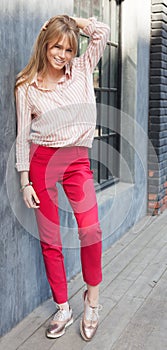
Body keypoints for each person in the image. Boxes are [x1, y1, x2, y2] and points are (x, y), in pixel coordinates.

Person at [15, 14, 110, 341]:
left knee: (91, 229)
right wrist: (25, 180)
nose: (63, 55)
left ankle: (92, 301)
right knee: (50, 239)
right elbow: (22, 135)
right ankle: (63, 308)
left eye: (69, 49)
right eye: (57, 46)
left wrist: (70, 20)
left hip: (77, 161)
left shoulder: (82, 69)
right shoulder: (26, 86)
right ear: (46, 43)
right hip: (43, 161)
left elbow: (102, 32)